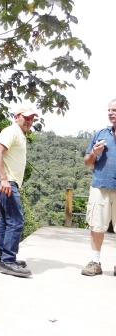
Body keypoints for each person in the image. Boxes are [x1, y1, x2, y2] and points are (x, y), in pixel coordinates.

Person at [0, 106, 38, 277]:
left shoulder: (19, 133)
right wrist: (4, 178)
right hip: (6, 182)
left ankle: (4, 258)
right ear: (16, 116)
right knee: (16, 221)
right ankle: (8, 261)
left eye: (32, 118)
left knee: (7, 221)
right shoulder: (11, 131)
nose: (30, 121)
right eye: (26, 117)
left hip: (6, 182)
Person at [81, 98, 116, 276]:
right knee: (97, 225)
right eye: (109, 110)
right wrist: (94, 153)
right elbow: (87, 162)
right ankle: (95, 262)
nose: (111, 113)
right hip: (100, 186)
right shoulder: (101, 134)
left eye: (114, 110)